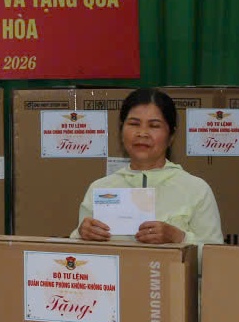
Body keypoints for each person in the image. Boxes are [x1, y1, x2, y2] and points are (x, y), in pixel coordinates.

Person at [74, 88, 224, 246]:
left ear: (171, 135)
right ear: (121, 130)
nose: (142, 133)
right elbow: (78, 254)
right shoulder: (100, 188)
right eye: (134, 124)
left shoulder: (196, 190)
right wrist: (80, 234)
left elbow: (215, 254)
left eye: (154, 126)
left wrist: (180, 238)